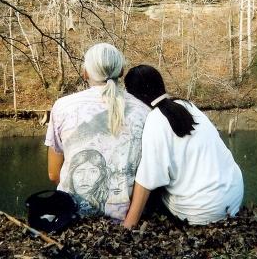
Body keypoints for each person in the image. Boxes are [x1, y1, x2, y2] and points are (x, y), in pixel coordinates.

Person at [122, 65, 244, 227]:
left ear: (134, 96)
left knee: (154, 184)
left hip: (203, 212)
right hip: (234, 197)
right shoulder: (187, 105)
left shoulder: (155, 120)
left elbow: (146, 180)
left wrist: (128, 225)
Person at [45, 43, 150, 220]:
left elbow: (53, 174)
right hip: (124, 218)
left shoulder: (62, 106)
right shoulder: (144, 111)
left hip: (70, 217)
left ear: (85, 73)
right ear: (122, 71)